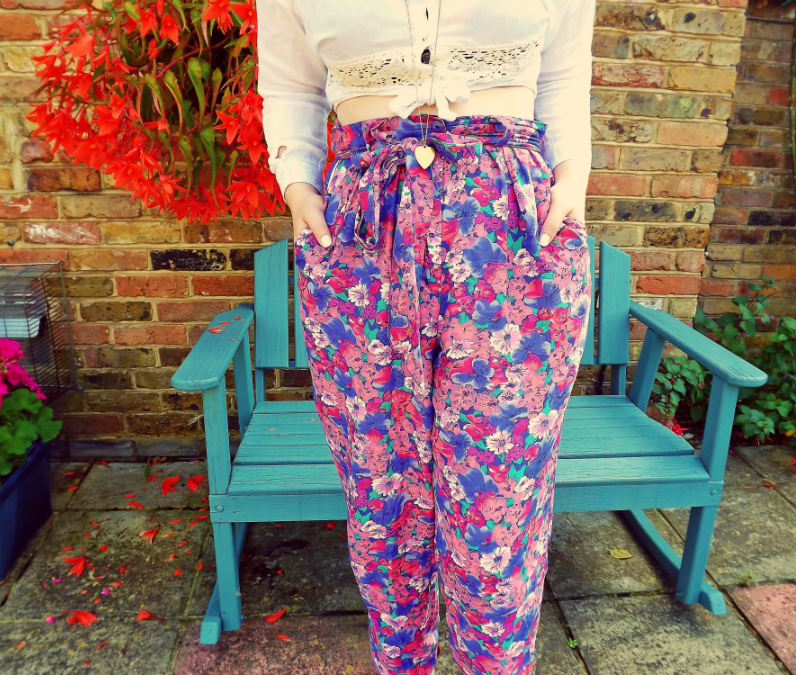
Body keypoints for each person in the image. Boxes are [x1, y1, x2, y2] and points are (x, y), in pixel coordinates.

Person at [255, 1, 596, 673]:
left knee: (498, 498)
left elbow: (562, 74)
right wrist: (297, 184)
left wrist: (573, 177)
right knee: (382, 489)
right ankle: (401, 663)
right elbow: (291, 84)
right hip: (363, 230)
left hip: (510, 227)